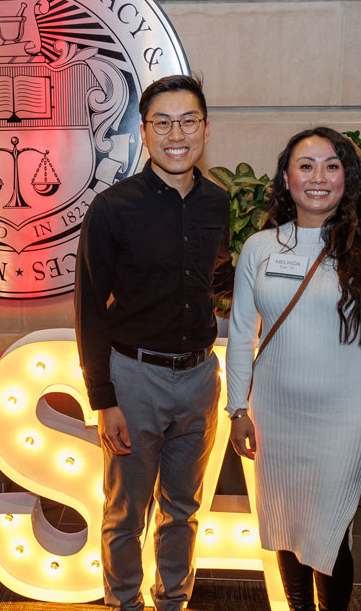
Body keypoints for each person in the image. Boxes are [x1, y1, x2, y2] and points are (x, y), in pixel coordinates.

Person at [225, 127, 361, 611]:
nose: (319, 177)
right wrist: (236, 407)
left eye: (332, 165)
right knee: (284, 523)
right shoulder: (261, 248)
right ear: (286, 178)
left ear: (347, 177)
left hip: (345, 419)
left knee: (330, 530)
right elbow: (243, 332)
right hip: (275, 416)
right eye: (306, 166)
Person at [74, 74, 233, 611]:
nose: (176, 133)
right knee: (125, 514)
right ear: (144, 132)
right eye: (162, 122)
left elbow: (216, 279)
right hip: (133, 378)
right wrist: (104, 398)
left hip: (199, 379)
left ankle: (173, 602)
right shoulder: (113, 208)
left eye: (188, 120)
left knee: (183, 510)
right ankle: (124, 604)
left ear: (205, 130)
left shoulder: (217, 203)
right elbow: (91, 308)